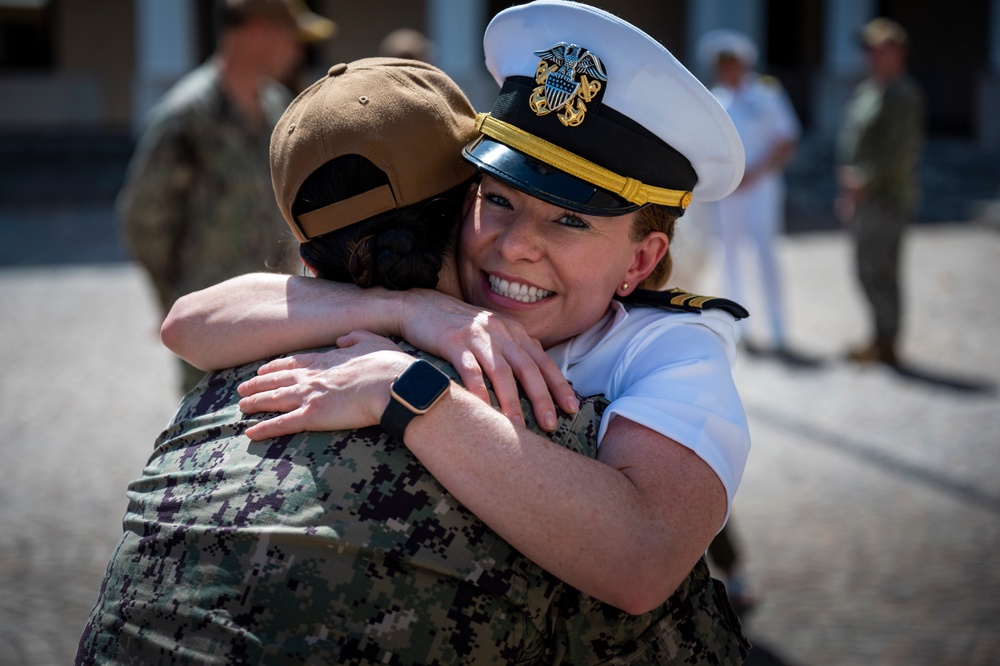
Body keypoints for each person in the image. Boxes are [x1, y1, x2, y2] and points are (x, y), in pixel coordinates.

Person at [79, 58, 748, 664]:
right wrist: (406, 313)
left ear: (639, 261)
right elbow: (190, 323)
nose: (515, 246)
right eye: (499, 200)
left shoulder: (667, 348)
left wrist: (406, 390)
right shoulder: (419, 300)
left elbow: (642, 559)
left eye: (570, 221)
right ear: (463, 203)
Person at [118, 0, 335, 392]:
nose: (297, 50)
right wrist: (176, 297)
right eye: (293, 37)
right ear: (259, 32)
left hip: (276, 318)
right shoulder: (188, 117)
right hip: (214, 326)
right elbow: (143, 220)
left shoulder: (276, 108)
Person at [698, 29, 801, 357]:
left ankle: (778, 326)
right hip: (729, 190)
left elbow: (786, 140)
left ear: (744, 63)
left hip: (761, 187)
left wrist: (755, 173)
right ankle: (738, 324)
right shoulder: (716, 99)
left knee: (766, 253)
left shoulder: (767, 94)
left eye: (732, 64)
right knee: (728, 255)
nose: (726, 70)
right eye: (721, 65)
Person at [836, 17, 925, 367]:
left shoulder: (904, 95)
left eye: (879, 49)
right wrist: (849, 190)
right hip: (862, 197)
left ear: (898, 52)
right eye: (867, 49)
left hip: (887, 200)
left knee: (882, 269)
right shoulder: (869, 90)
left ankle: (888, 341)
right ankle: (878, 336)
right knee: (864, 268)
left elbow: (900, 153)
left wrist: (864, 181)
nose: (871, 56)